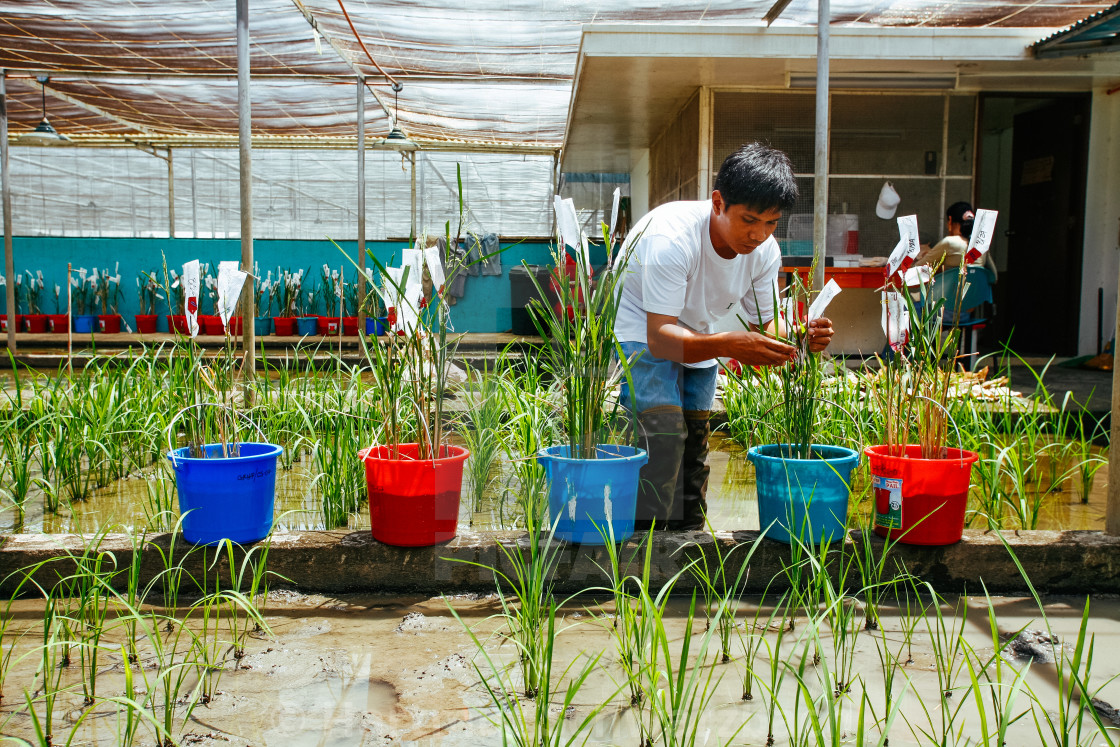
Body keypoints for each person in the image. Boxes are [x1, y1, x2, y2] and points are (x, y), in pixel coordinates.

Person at [614, 143, 834, 531]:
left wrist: (800, 337)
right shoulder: (671, 238)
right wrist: (730, 344)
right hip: (642, 324)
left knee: (696, 439)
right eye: (749, 219)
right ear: (718, 203)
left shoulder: (764, 251)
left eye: (770, 223)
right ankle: (641, 549)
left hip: (698, 327)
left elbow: (768, 325)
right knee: (662, 433)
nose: (758, 234)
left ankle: (688, 539)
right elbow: (660, 338)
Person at [915, 201, 998, 281]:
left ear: (950, 220)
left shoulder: (949, 242)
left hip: (952, 294)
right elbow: (993, 277)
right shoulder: (981, 245)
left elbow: (916, 269)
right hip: (977, 295)